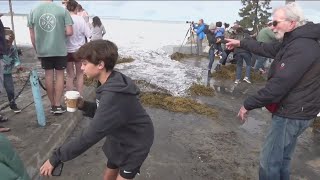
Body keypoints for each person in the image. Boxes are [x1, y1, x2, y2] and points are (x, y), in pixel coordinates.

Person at [226, 2, 320, 179]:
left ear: (292, 23)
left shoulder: (301, 47)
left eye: (275, 23)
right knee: (283, 159)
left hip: (290, 114)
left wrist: (248, 104)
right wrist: (241, 42)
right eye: (271, 23)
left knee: (269, 164)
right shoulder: (296, 41)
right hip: (301, 111)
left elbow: (278, 86)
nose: (272, 27)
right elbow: (265, 48)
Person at [40, 40, 154, 180]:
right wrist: (83, 105)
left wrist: (56, 157)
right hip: (118, 137)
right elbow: (104, 112)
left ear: (100, 64)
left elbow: (90, 135)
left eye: (85, 63)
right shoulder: (107, 81)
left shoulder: (114, 94)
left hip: (135, 142)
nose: (81, 68)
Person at [27, 0, 73, 114]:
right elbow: (69, 31)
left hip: (44, 50)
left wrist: (37, 49)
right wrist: (58, 31)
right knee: (60, 75)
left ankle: (52, 103)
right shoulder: (63, 10)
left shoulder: (33, 11)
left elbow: (32, 36)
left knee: (48, 75)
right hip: (59, 49)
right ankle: (57, 105)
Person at [66, 0, 91, 95]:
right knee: (80, 75)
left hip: (67, 50)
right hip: (79, 50)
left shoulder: (65, 19)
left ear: (67, 8)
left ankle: (69, 97)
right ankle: (79, 97)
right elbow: (88, 34)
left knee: (69, 75)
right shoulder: (80, 19)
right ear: (77, 8)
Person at [3, 29, 21, 113]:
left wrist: (18, 66)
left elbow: (16, 59)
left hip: (7, 73)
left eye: (11, 42)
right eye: (7, 42)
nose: (9, 44)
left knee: (10, 90)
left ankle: (12, 104)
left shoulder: (13, 49)